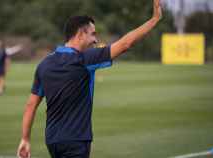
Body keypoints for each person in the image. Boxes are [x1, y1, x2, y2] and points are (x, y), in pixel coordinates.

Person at [17, 0, 162, 157]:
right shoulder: (84, 60)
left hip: (52, 141)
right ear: (80, 34)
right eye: (93, 34)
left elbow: (30, 105)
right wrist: (154, 19)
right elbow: (126, 43)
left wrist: (25, 139)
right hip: (76, 141)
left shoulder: (44, 64)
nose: (96, 40)